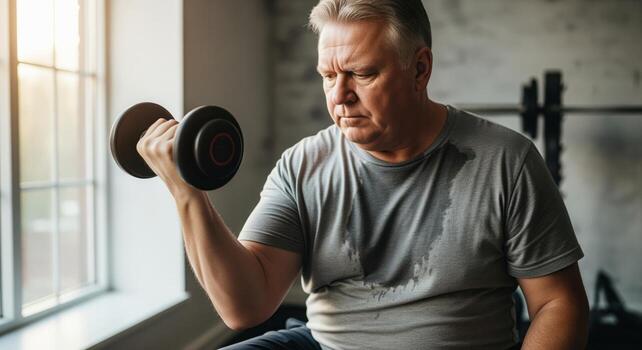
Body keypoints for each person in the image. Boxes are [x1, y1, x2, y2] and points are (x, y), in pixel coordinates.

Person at [137, 0, 589, 349]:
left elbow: (557, 301)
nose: (339, 96)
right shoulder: (303, 165)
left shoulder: (506, 160)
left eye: (360, 73)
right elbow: (245, 306)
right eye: (327, 75)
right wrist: (187, 193)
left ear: (420, 69)